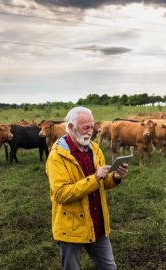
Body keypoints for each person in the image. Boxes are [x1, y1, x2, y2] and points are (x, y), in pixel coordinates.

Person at [46, 106, 129, 270]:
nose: (91, 131)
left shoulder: (95, 149)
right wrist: (95, 177)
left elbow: (102, 183)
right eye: (86, 127)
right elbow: (61, 194)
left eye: (92, 127)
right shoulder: (57, 156)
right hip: (71, 226)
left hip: (97, 221)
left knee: (108, 267)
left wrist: (115, 177)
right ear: (70, 127)